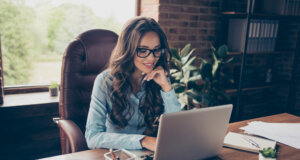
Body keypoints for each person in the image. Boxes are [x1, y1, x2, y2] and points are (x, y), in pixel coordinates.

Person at [85, 16, 181, 152]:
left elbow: (175, 130)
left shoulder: (159, 77)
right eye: (143, 50)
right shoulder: (105, 81)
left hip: (148, 155)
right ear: (128, 50)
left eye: (157, 50)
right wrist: (143, 140)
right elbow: (92, 137)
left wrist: (166, 88)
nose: (152, 57)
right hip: (115, 154)